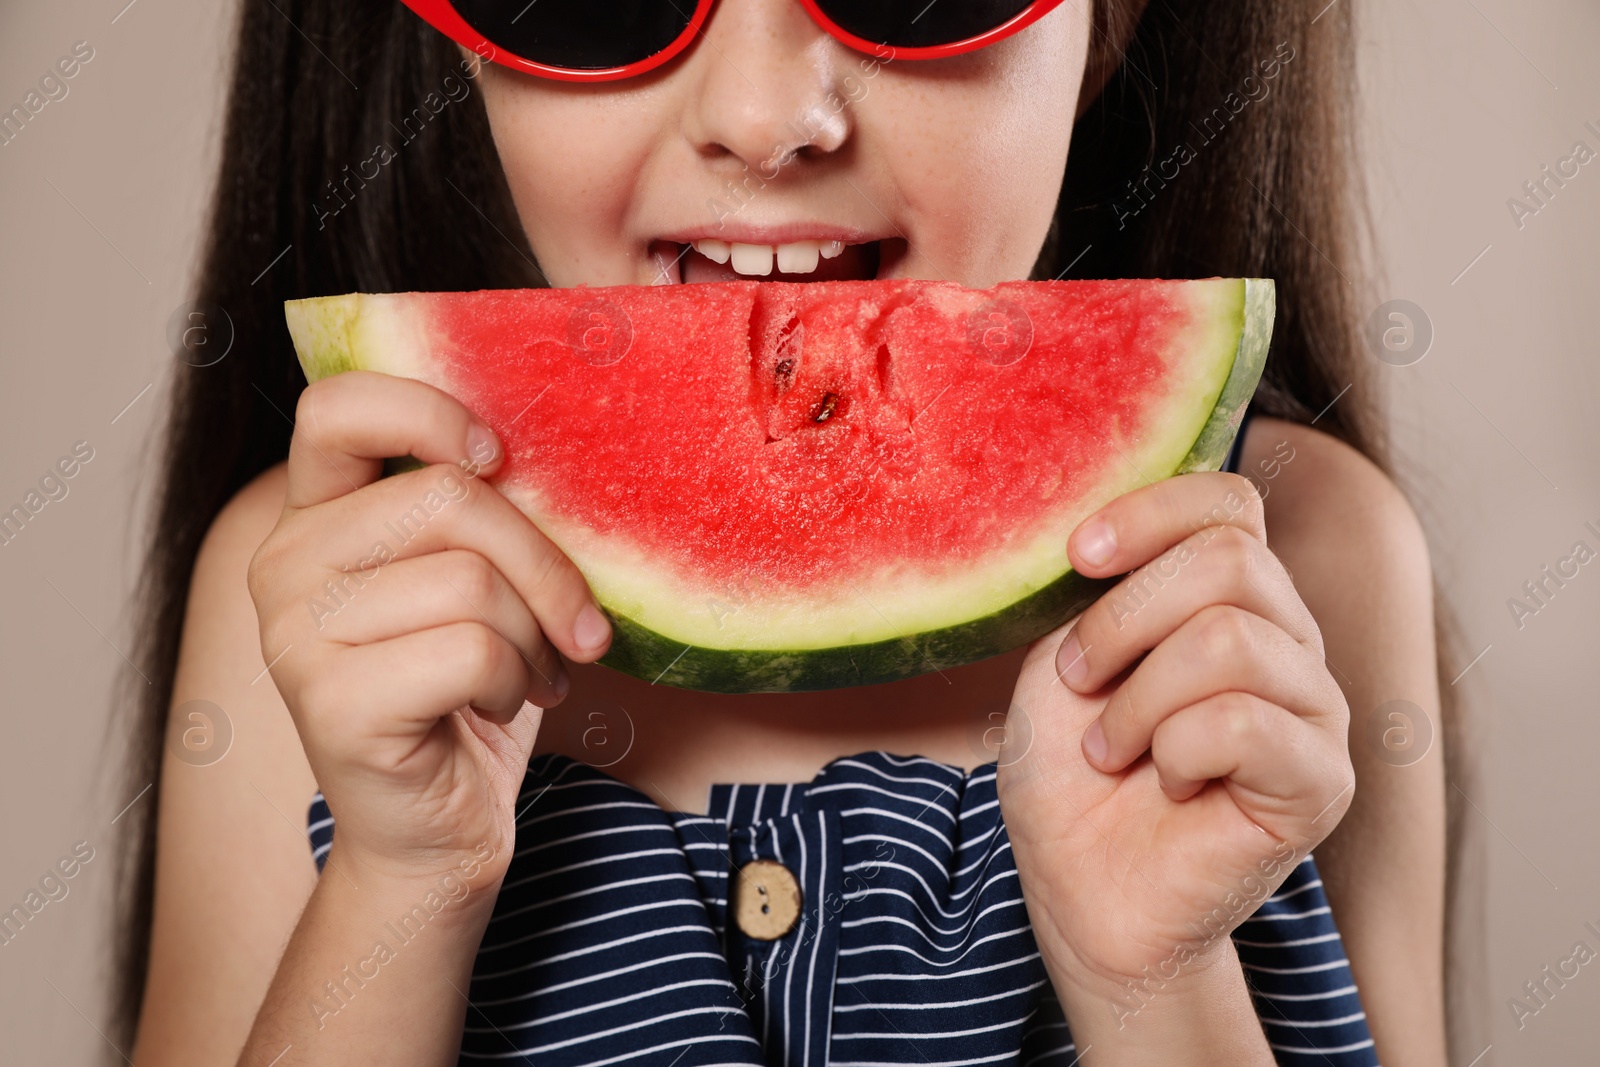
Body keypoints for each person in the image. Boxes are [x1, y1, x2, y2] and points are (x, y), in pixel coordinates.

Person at [118, 2, 1451, 1064]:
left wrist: (1154, 985)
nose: (765, 120)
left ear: (1107, 24)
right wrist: (401, 880)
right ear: (460, 52)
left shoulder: (1299, 564)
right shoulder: (328, 576)